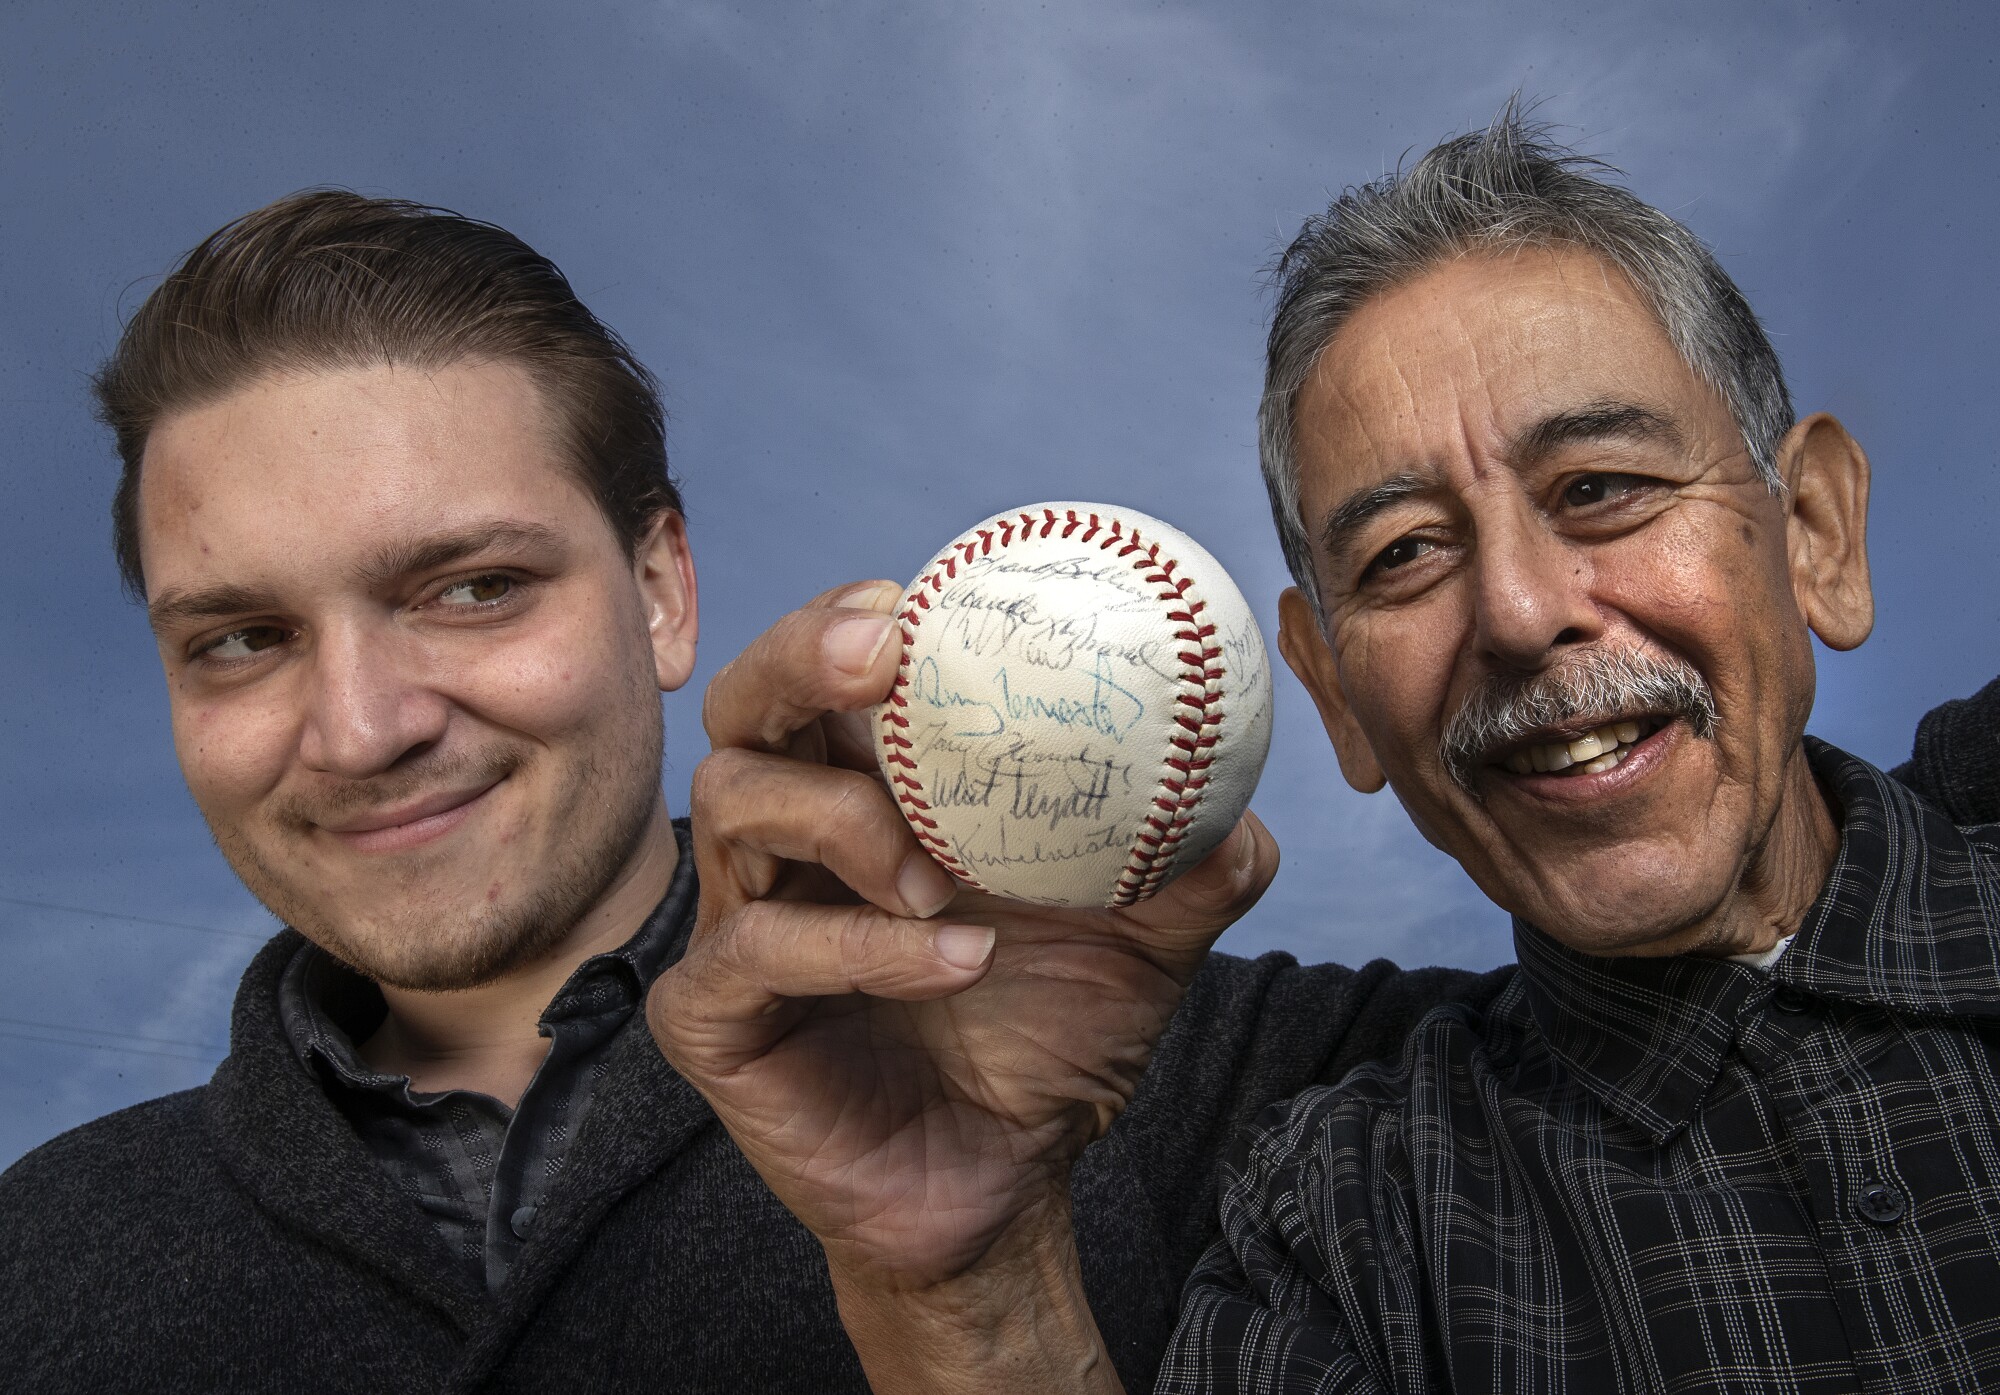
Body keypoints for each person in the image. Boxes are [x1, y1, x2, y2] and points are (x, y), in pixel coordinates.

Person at [0, 190, 1517, 1394]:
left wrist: (974, 1298)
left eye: (469, 589)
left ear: (662, 590)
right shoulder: (45, 1260)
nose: (359, 726)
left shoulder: (1252, 1084)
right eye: (245, 639)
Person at [650, 115, 2000, 1393]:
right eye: (1404, 553)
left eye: (1601, 488)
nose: (1524, 614)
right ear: (1335, 696)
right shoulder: (1343, 1231)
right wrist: (962, 1279)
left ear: (1815, 530)